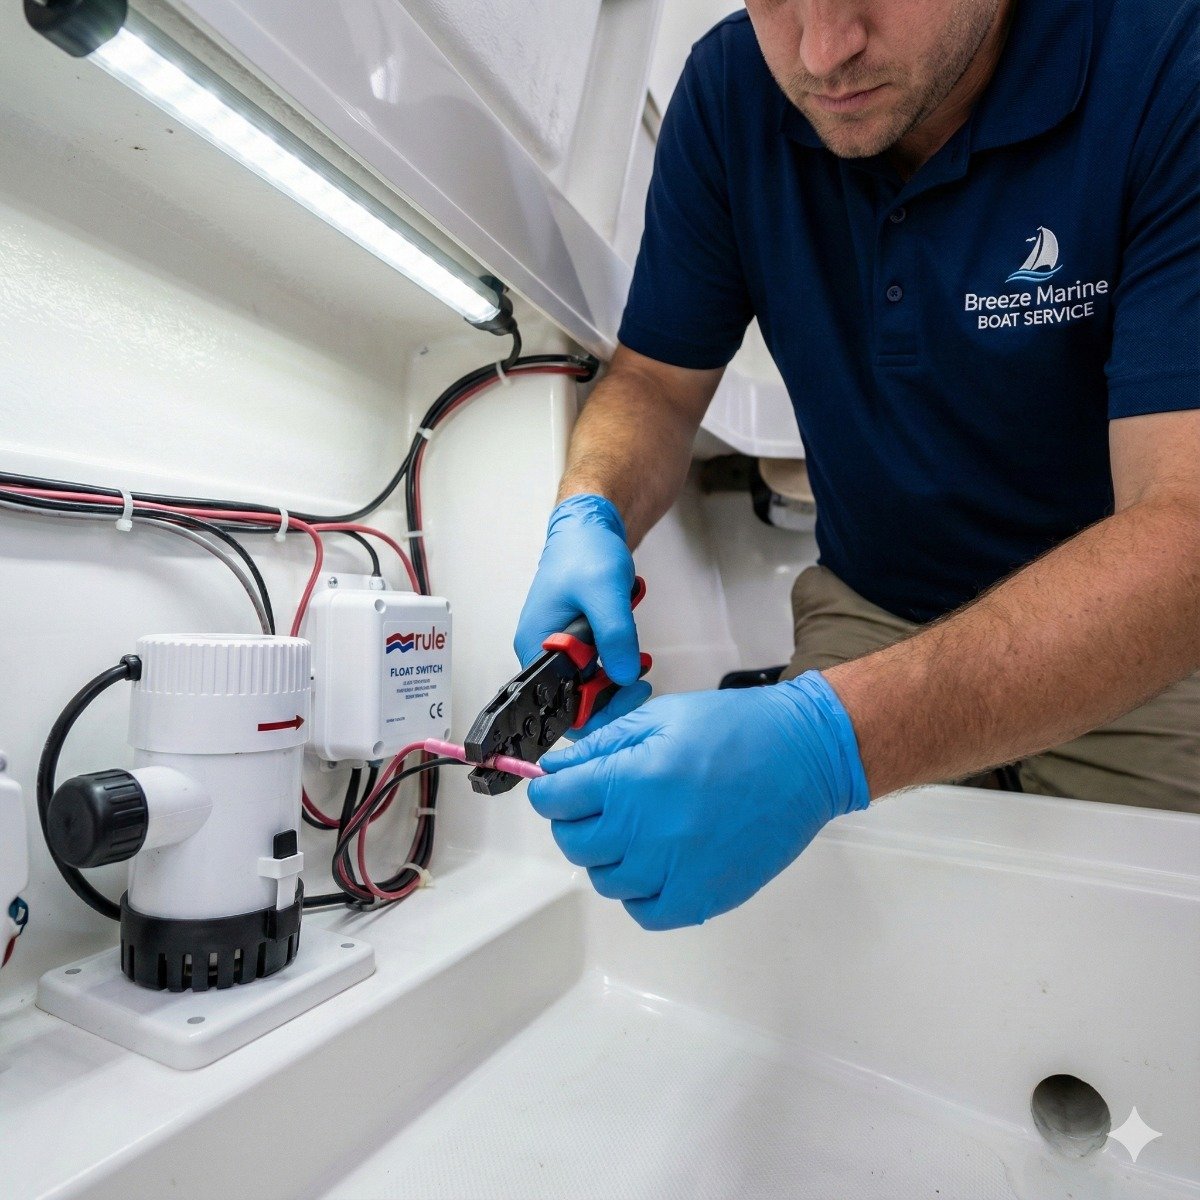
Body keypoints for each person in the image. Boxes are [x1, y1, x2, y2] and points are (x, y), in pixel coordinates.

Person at [513, 0, 1200, 931]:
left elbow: (1185, 526)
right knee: (833, 953)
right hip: (871, 607)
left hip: (1140, 639)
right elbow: (655, 386)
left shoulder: (1166, 60)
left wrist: (828, 743)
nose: (824, 51)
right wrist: (586, 510)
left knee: (1135, 973)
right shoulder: (729, 95)